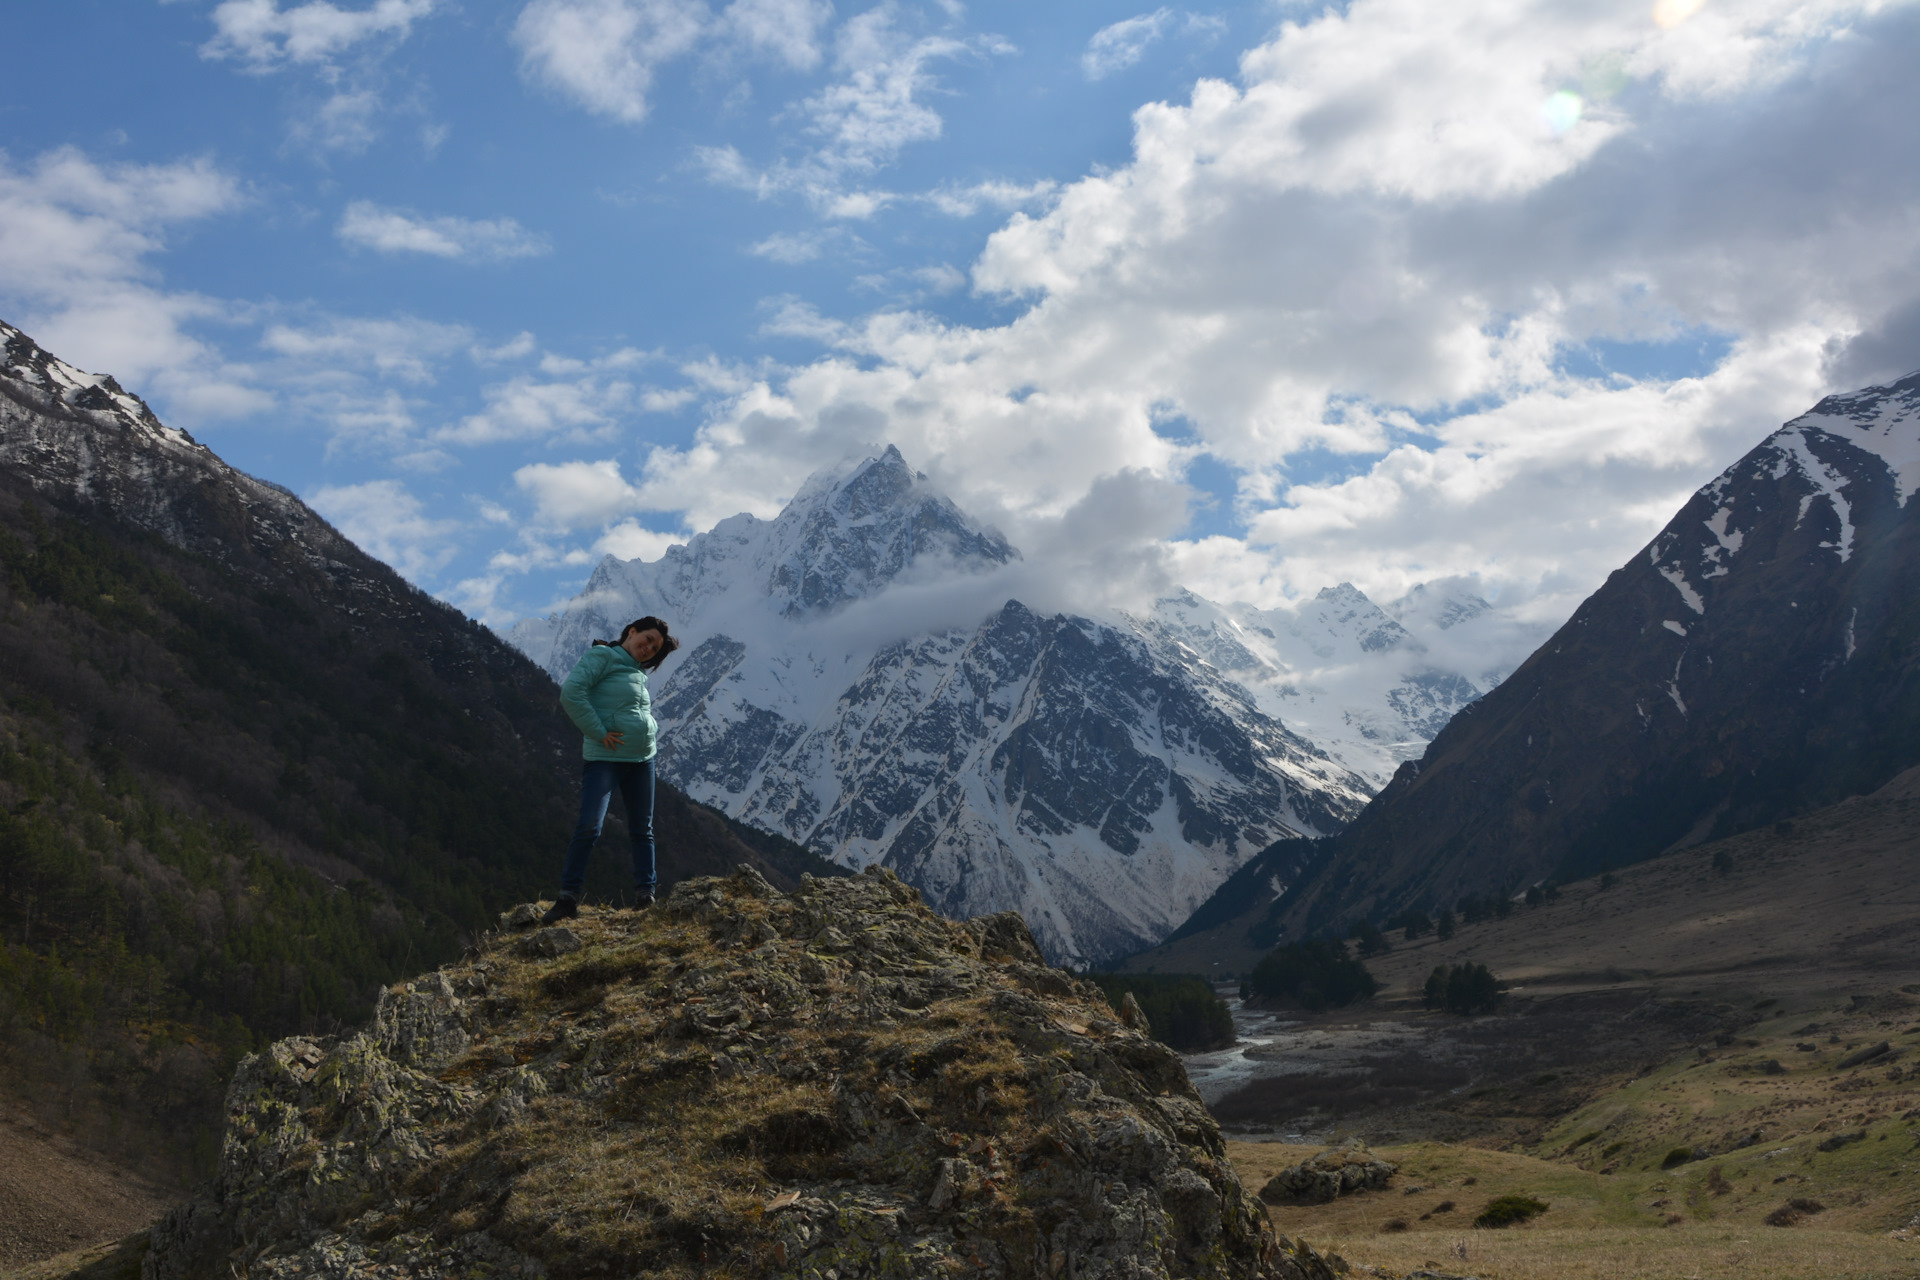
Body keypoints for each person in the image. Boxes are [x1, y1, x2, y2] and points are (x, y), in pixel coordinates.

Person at [541, 616, 680, 925]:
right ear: (632, 631)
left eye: (654, 648)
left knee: (642, 829)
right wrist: (598, 730)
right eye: (646, 639)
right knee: (590, 825)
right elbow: (572, 693)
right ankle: (567, 898)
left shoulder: (637, 672)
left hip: (643, 758)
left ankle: (647, 896)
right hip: (604, 757)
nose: (648, 648)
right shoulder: (602, 655)